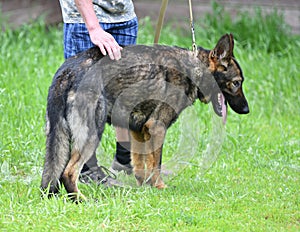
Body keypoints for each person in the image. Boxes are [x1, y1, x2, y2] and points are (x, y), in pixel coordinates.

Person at [58, 0, 138, 185]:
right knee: (85, 98)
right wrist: (93, 28)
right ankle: (86, 171)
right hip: (85, 21)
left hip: (123, 16)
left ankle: (125, 162)